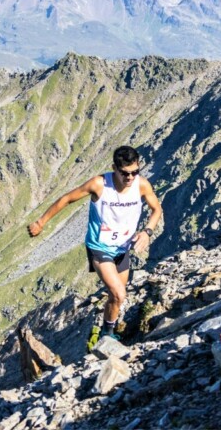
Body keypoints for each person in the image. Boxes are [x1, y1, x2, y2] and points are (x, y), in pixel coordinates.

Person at [27, 146, 162, 347]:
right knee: (119, 293)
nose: (130, 178)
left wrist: (147, 232)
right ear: (114, 168)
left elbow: (156, 209)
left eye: (135, 172)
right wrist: (41, 222)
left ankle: (106, 332)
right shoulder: (99, 184)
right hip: (99, 246)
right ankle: (106, 338)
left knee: (116, 297)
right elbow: (67, 199)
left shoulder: (141, 185)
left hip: (122, 247)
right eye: (125, 173)